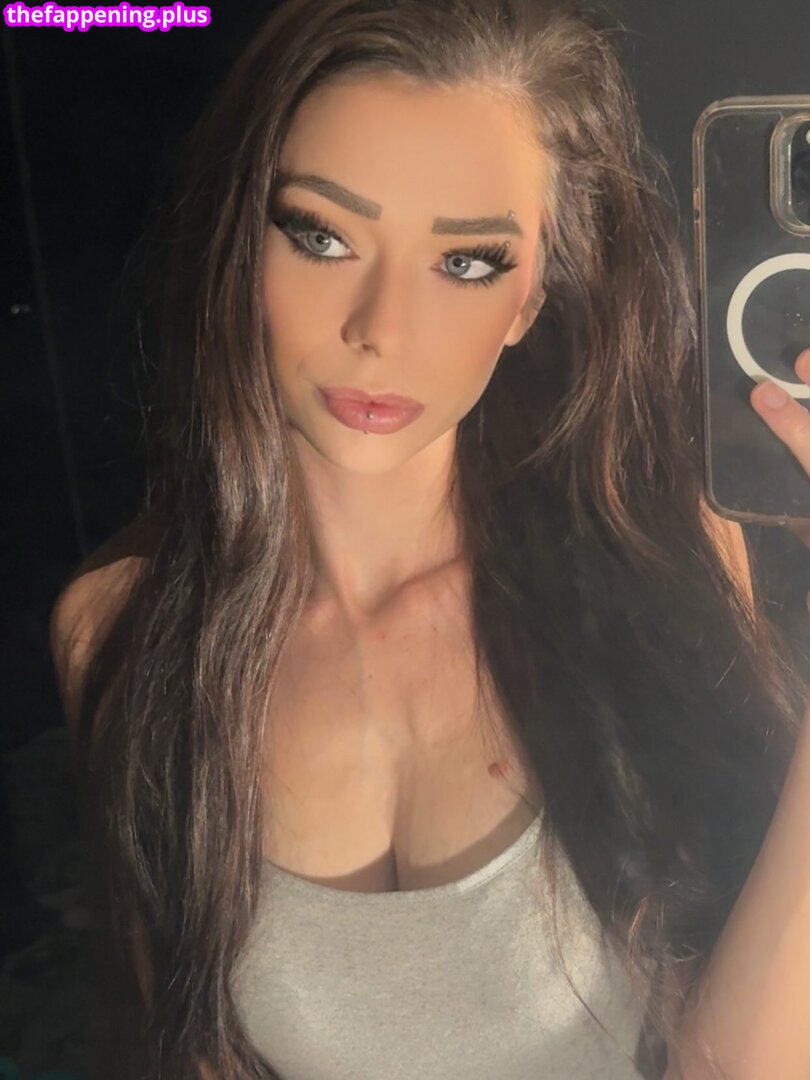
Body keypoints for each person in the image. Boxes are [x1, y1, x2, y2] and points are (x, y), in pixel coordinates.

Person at [48, 0, 808, 1078]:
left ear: (533, 295)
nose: (381, 329)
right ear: (238, 241)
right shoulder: (124, 629)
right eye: (322, 235)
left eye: (468, 261)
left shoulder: (655, 565)